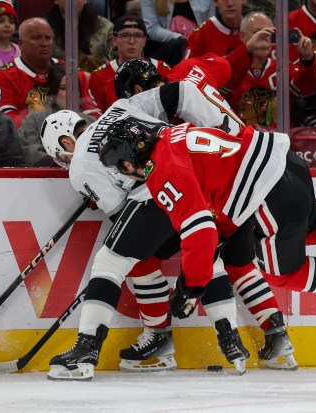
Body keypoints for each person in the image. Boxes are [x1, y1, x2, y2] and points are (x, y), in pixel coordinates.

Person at [46, 59, 301, 380]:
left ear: (66, 141)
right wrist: (223, 126)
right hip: (220, 174)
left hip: (165, 186)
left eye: (60, 154)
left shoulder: (79, 164)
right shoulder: (121, 107)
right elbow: (182, 91)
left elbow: (124, 219)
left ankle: (92, 350)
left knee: (115, 261)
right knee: (219, 255)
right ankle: (248, 339)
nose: (63, 161)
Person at [98, 116, 316, 339]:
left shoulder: (161, 171)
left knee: (281, 272)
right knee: (310, 225)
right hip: (287, 163)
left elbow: (199, 231)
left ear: (129, 160)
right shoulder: (175, 133)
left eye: (120, 166)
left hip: (265, 195)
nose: (123, 173)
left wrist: (192, 289)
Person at [224, 11, 316, 129]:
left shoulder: (282, 67)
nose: (263, 37)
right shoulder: (229, 65)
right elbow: (222, 86)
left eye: (268, 33)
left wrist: (307, 59)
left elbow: (308, 89)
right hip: (241, 140)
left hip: (280, 141)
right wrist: (246, 48)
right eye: (257, 32)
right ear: (242, 36)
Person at [88, 15, 171, 112]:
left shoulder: (162, 69)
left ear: (144, 41)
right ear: (114, 41)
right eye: (125, 36)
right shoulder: (99, 76)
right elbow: (95, 114)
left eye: (138, 36)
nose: (132, 41)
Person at [18, 65, 97, 167]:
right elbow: (30, 153)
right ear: (53, 92)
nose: (70, 93)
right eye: (64, 88)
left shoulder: (91, 122)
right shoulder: (34, 120)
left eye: (74, 88)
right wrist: (61, 161)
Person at [0, 17, 59, 128]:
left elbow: (90, 111)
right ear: (20, 43)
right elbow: (9, 121)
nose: (44, 43)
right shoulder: (4, 75)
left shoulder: (68, 70)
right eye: (37, 38)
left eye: (48, 38)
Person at [43, 0, 113, 72]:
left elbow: (115, 62)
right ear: (56, 1)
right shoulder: (43, 28)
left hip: (98, 77)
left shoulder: (105, 27)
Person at [141, 0, 214, 66]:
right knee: (181, 44)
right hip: (163, 48)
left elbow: (210, 26)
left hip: (196, 46)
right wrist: (180, 37)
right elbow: (152, 29)